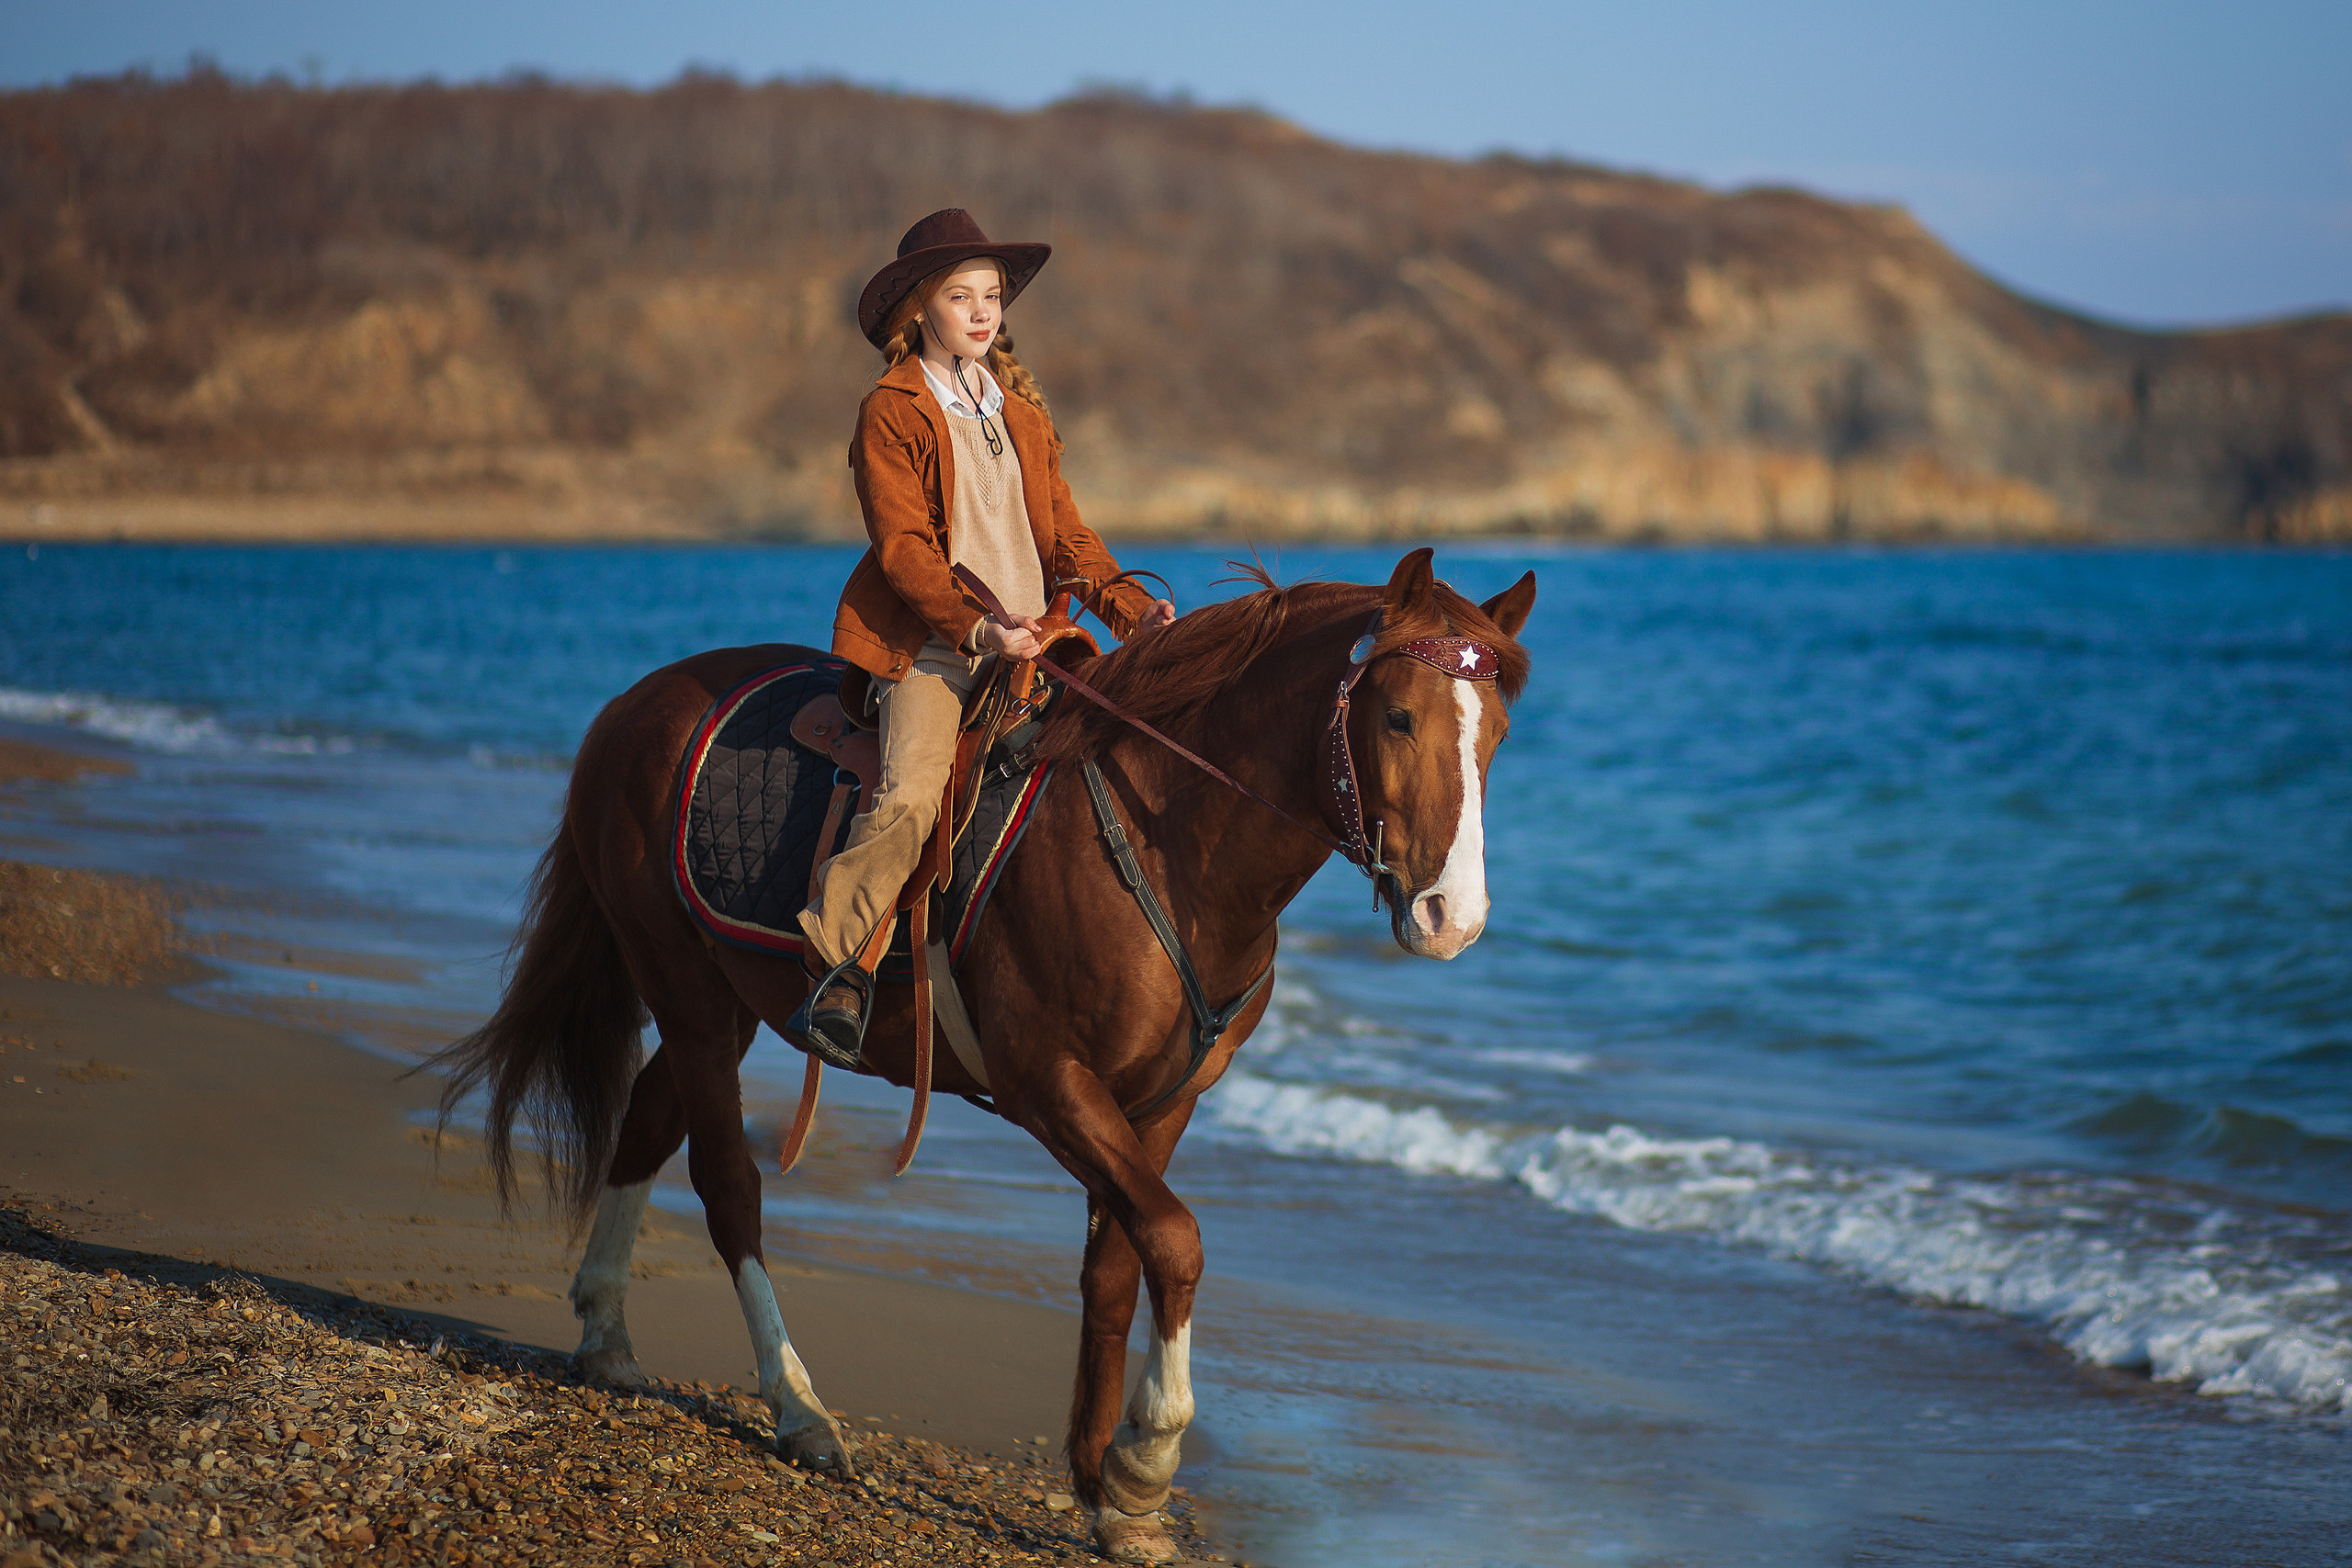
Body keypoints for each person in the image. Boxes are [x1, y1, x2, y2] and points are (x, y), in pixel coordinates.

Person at [784, 209, 1176, 1066]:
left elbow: (1068, 537)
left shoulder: (1024, 414)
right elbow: (902, 550)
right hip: (930, 648)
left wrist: (1128, 608)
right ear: (920, 308)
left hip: (1035, 644)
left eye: (991, 296)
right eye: (961, 296)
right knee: (915, 792)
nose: (981, 311)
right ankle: (839, 961)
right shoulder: (892, 409)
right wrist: (978, 629)